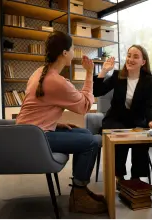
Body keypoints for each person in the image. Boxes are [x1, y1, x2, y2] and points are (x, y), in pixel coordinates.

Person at [16, 31, 107, 214]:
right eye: (73, 48)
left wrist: (55, 125)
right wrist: (89, 74)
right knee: (93, 141)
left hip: (27, 134)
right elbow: (85, 106)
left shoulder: (39, 73)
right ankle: (79, 195)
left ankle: (80, 190)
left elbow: (34, 110)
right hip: (36, 139)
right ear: (65, 53)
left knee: (84, 134)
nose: (74, 52)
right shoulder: (56, 81)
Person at [93, 45, 152, 188]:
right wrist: (104, 70)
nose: (130, 59)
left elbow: (150, 106)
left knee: (141, 135)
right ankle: (119, 176)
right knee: (120, 133)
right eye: (129, 55)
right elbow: (97, 91)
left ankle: (136, 177)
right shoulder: (118, 76)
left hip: (136, 119)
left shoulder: (148, 81)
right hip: (115, 119)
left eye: (135, 56)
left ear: (143, 62)